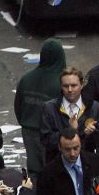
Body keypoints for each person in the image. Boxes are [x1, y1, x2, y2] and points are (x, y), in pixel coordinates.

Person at [13, 39, 67, 175]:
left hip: (29, 132)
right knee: (53, 172)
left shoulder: (26, 79)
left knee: (34, 171)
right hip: (51, 135)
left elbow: (18, 106)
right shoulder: (63, 83)